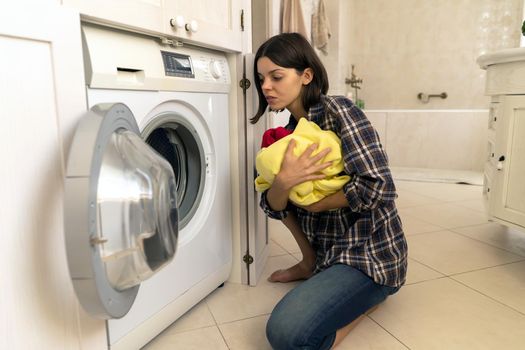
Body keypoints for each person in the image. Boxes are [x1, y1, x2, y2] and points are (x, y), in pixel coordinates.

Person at [251, 32, 408, 350]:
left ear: (306, 75)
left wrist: (317, 205)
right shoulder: (285, 136)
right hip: (327, 257)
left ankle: (371, 298)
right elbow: (274, 206)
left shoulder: (339, 111)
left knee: (286, 335)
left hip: (368, 257)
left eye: (276, 76)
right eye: (261, 78)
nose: (266, 86)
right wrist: (284, 182)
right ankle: (310, 262)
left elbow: (380, 187)